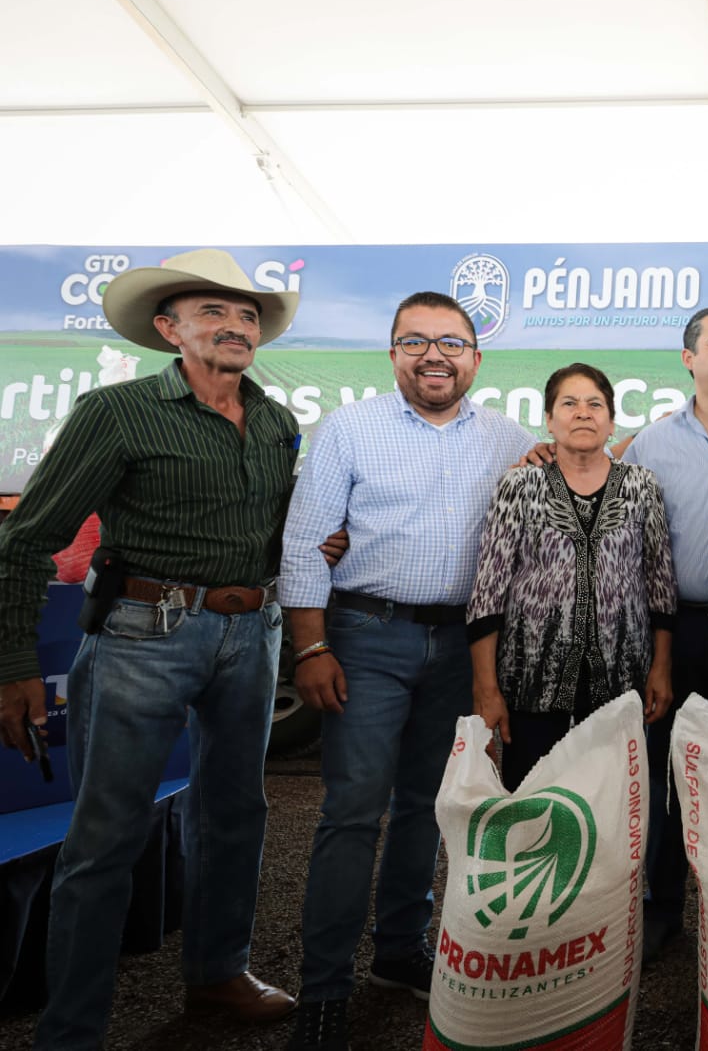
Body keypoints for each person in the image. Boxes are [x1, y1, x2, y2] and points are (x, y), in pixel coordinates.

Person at [0, 249, 300, 1049]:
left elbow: (279, 533)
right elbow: (26, 542)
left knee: (237, 814)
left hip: (253, 632)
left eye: (247, 317)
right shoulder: (117, 411)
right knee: (105, 838)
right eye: (214, 313)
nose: (236, 326)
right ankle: (72, 1030)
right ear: (169, 329)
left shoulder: (276, 422)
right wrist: (14, 666)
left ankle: (218, 977)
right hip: (141, 636)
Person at [277, 292, 535, 1051]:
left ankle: (398, 953)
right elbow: (304, 541)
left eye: (451, 343)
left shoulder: (509, 438)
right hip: (364, 636)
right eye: (415, 341)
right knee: (353, 809)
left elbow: (569, 476)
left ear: (475, 360)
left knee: (428, 806)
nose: (434, 355)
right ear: (392, 354)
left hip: (461, 648)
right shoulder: (348, 430)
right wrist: (312, 648)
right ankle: (324, 988)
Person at [624, 305, 708, 964]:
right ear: (689, 359)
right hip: (673, 632)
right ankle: (661, 909)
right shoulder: (652, 443)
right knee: (665, 778)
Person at [468, 363, 675, 790]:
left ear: (611, 421)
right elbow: (488, 594)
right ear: (548, 420)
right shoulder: (519, 485)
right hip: (531, 684)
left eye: (594, 404)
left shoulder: (642, 485)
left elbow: (660, 588)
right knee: (533, 811)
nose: (583, 413)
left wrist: (661, 669)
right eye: (569, 403)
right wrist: (487, 689)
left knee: (612, 813)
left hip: (621, 684)